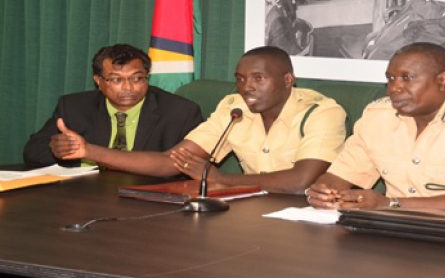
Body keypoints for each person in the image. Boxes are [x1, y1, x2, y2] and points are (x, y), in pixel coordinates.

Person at [52, 47, 347, 195]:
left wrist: (220, 179)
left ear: (287, 80)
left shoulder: (322, 112)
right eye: (241, 79)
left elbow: (300, 181)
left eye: (259, 78)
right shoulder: (234, 108)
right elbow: (172, 161)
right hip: (252, 211)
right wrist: (90, 151)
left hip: (305, 213)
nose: (247, 87)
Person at [306, 42, 445, 220]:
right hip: (400, 233)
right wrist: (323, 192)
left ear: (443, 81)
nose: (395, 88)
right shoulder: (377, 116)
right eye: (390, 79)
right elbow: (341, 175)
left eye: (407, 78)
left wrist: (391, 205)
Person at [23, 44, 202, 168]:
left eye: (137, 78)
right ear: (98, 81)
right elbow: (33, 151)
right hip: (87, 195)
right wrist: (58, 150)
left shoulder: (181, 112)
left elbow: (190, 167)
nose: (128, 87)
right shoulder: (75, 107)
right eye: (116, 79)